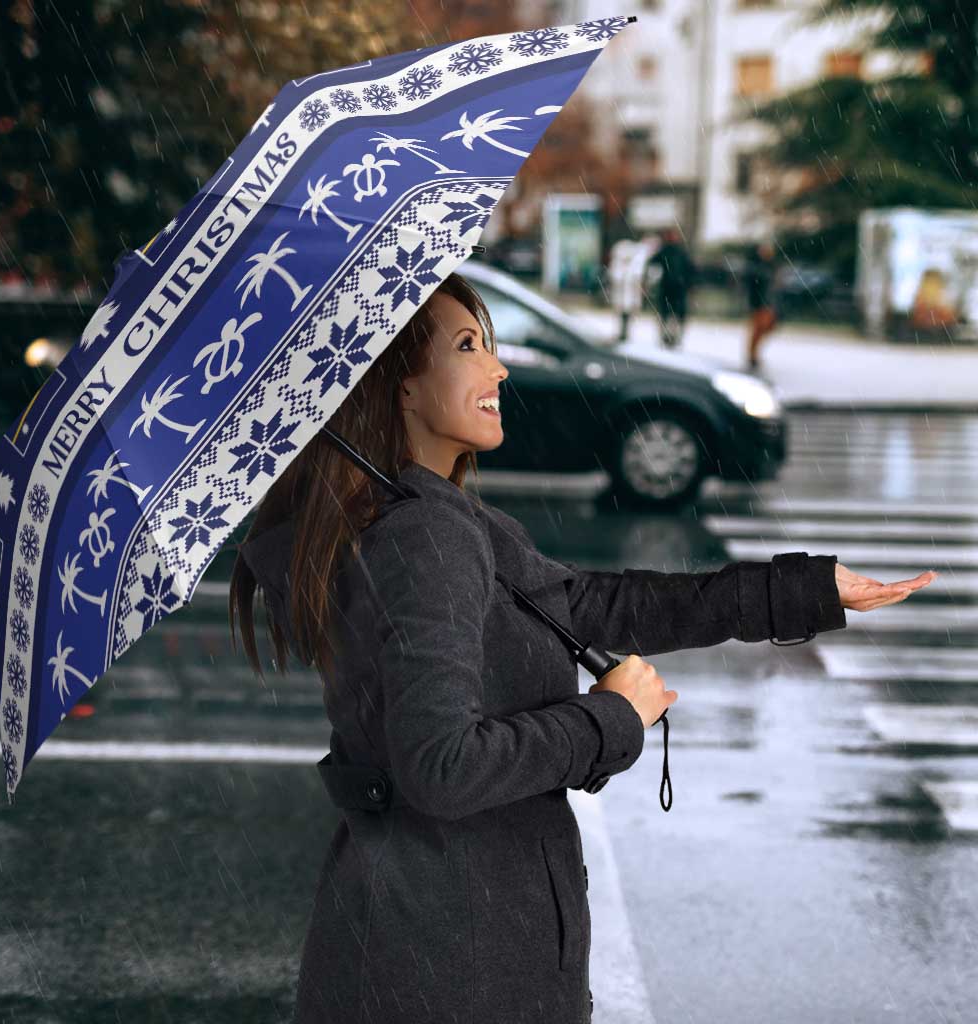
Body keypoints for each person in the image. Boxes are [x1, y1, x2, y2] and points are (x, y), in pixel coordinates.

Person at [230, 272, 935, 1024]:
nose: (498, 368)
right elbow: (441, 767)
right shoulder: (423, 537)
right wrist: (609, 719)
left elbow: (597, 606)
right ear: (399, 387)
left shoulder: (434, 519)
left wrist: (803, 590)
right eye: (468, 346)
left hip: (435, 943)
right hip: (450, 962)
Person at [646, 226, 696, 349]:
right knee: (667, 314)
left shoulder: (679, 252)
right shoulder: (666, 251)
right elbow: (652, 264)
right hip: (669, 288)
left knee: (674, 315)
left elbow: (690, 270)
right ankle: (667, 337)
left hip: (677, 288)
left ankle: (673, 337)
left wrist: (689, 284)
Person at [744, 239, 780, 370]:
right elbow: (753, 286)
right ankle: (752, 355)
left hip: (768, 303)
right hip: (759, 303)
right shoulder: (756, 267)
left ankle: (753, 354)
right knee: (758, 329)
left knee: (766, 328)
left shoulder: (771, 266)